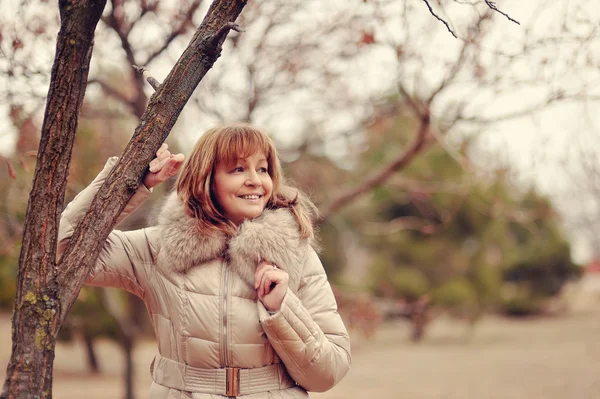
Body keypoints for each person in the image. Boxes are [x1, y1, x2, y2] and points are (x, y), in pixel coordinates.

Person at [57, 123, 351, 398]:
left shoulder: (295, 254)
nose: (255, 181)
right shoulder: (158, 247)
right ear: (207, 178)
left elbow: (328, 372)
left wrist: (282, 308)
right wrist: (130, 180)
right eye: (238, 169)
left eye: (262, 169)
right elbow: (65, 249)